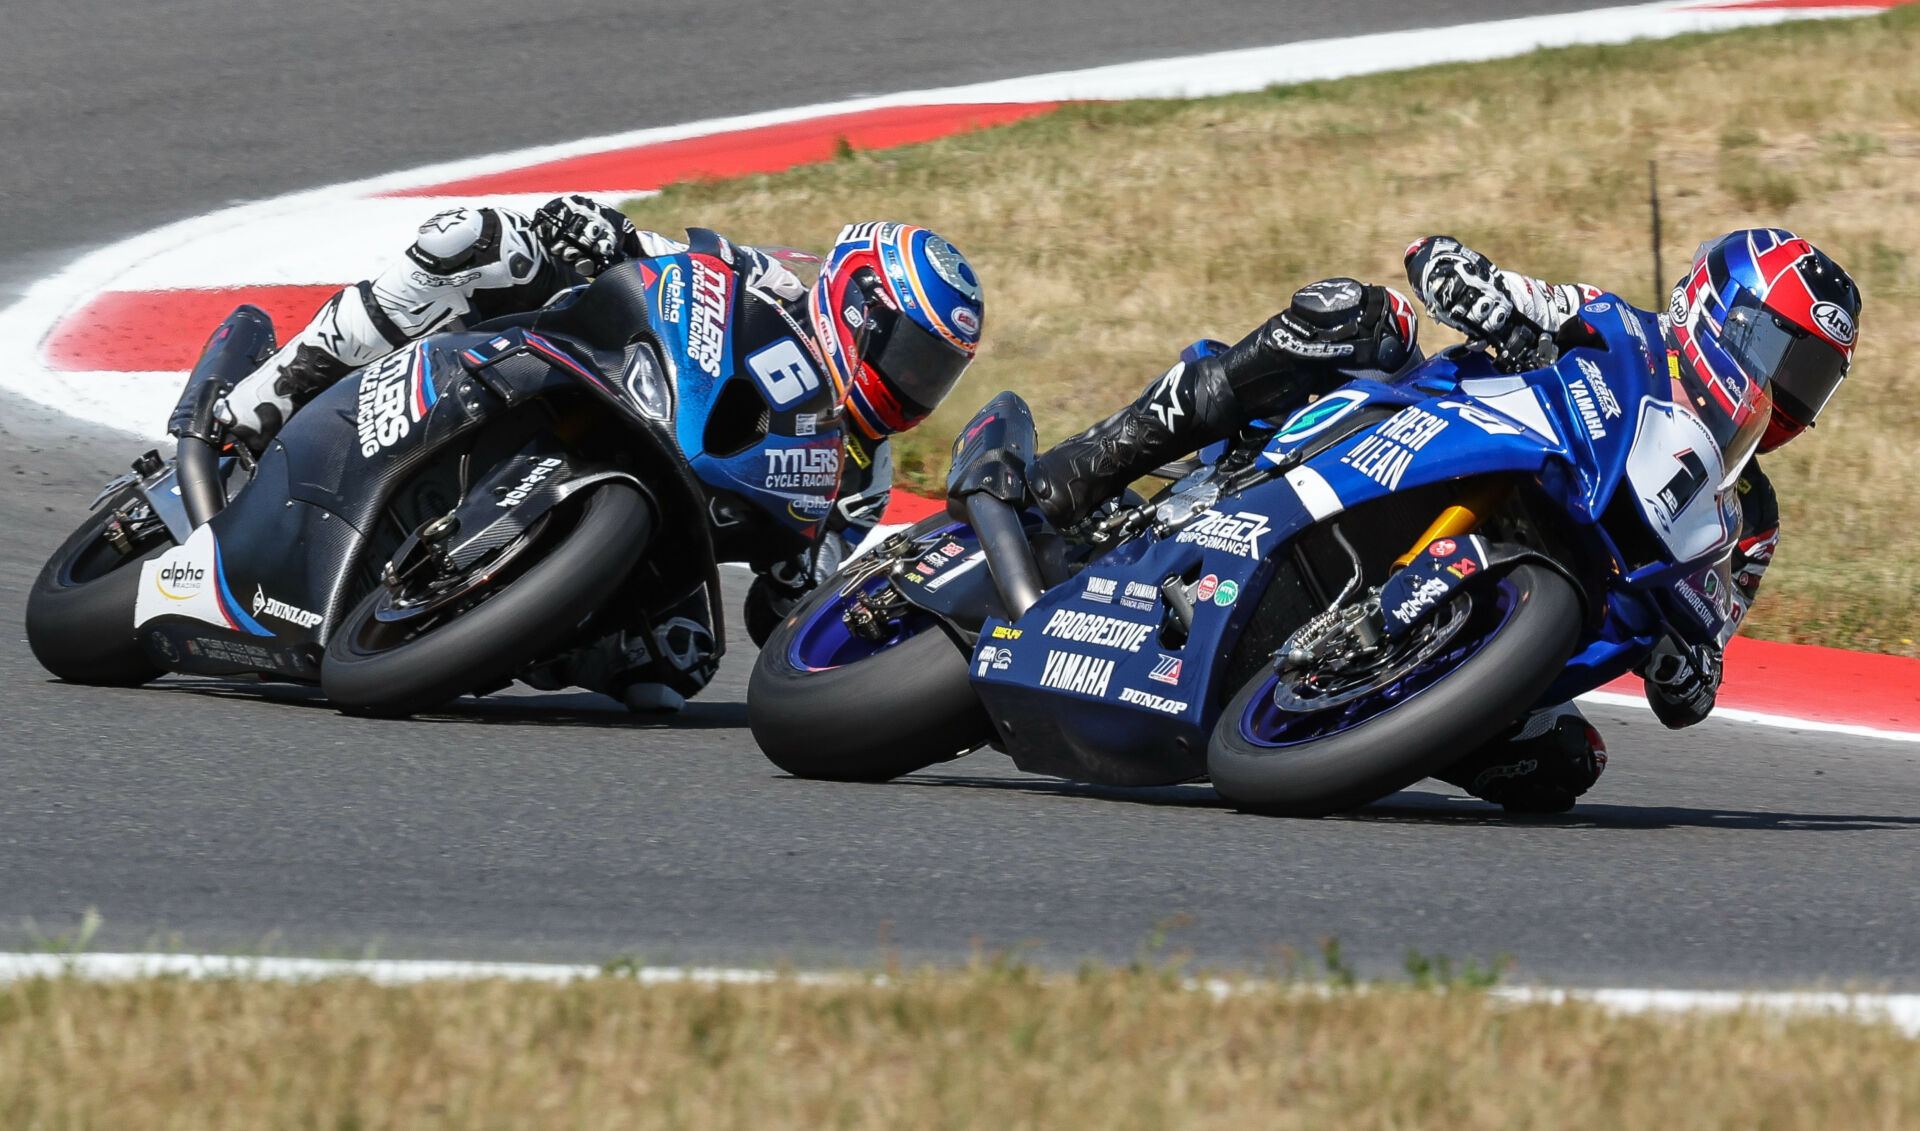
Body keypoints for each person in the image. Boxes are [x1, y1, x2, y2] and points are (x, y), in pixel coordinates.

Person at [1026, 229, 1860, 811]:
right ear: (1722, 310)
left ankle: (1381, 715)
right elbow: (1459, 270)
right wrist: (1479, 289)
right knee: (1361, 316)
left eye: (1815, 377)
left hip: (1531, 616)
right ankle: (1100, 460)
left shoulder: (1747, 518)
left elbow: (1704, 661)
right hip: (1428, 438)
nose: (1789, 389)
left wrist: (1689, 672)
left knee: (1566, 765)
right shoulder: (1615, 325)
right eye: (1786, 353)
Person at [215, 197, 983, 709]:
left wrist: (808, 576)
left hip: (662, 512)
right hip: (578, 363)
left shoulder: (862, 475)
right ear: (856, 306)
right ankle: (260, 402)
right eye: (911, 357)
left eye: (933, 373)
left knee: (675, 667)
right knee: (473, 240)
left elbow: (786, 608)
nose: (916, 385)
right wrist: (600, 228)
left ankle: (480, 628)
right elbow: (679, 268)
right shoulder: (773, 285)